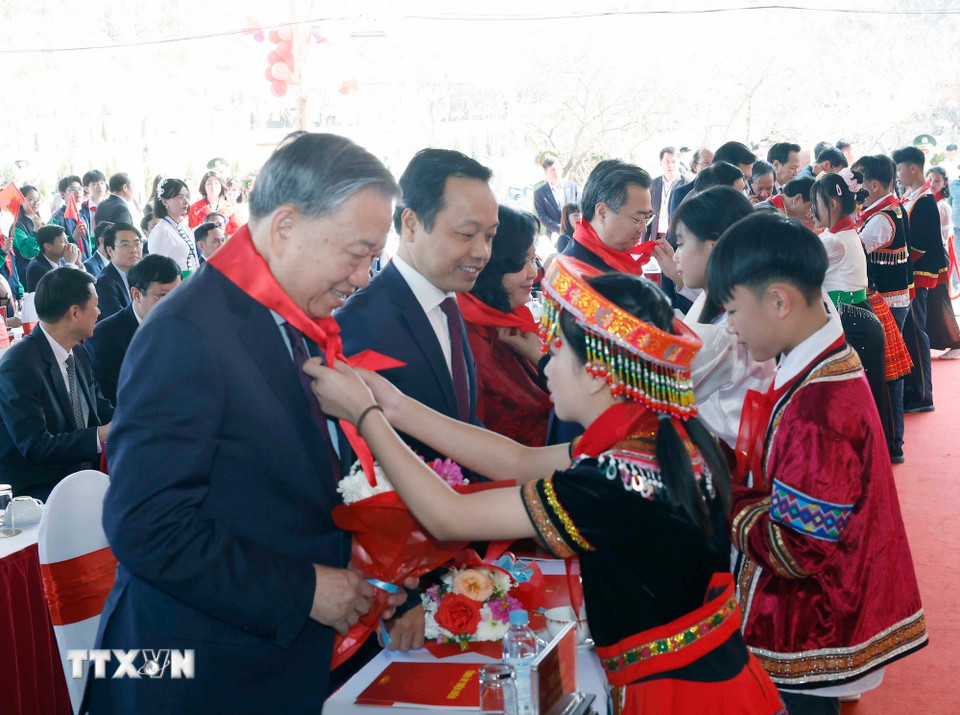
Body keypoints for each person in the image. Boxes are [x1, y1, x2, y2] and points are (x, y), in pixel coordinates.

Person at [308, 258, 786, 715]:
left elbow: (447, 516)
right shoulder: (661, 436)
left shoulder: (615, 480)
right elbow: (519, 461)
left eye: (557, 352)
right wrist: (393, 405)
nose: (547, 365)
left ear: (597, 375)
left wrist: (365, 416)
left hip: (678, 697)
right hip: (715, 680)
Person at [87, 133, 414, 713]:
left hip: (276, 663)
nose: (365, 276)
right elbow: (145, 527)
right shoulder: (186, 333)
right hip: (198, 673)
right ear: (285, 226)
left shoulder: (294, 319)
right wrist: (305, 589)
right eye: (357, 253)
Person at [706, 211, 927, 713]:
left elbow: (795, 550)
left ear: (778, 301)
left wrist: (722, 492)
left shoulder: (818, 408)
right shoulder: (820, 362)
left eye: (733, 311)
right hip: (828, 605)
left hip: (813, 622)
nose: (731, 329)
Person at [337, 148, 498, 461]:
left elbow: (463, 422)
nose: (482, 252)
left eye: (490, 236)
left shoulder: (449, 304)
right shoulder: (360, 324)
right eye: (466, 234)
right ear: (411, 224)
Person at [671, 186, 775, 447]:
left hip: (732, 460)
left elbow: (651, 382)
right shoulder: (726, 301)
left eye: (681, 243)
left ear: (713, 247)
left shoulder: (727, 332)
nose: (675, 255)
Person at [0, 268, 112, 500]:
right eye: (95, 306)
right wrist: (100, 434)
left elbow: (101, 410)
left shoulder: (77, 352)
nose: (99, 313)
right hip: (39, 489)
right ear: (74, 312)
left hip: (84, 477)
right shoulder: (19, 365)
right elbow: (35, 447)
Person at [809, 171, 891, 452]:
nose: (812, 210)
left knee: (853, 397)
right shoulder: (846, 233)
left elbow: (796, 265)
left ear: (831, 204)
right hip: (860, 316)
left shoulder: (833, 241)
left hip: (849, 322)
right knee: (868, 395)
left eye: (815, 203)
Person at [457, 205, 551, 446]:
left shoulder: (513, 319)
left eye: (533, 259)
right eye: (523, 262)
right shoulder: (468, 337)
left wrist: (541, 358)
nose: (534, 273)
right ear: (492, 266)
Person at [852, 155, 914, 463]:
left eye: (859, 185)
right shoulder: (891, 209)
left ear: (874, 185)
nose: (855, 192)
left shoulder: (879, 219)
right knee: (889, 373)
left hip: (885, 303)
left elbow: (854, 250)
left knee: (888, 373)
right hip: (893, 300)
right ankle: (892, 439)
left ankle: (892, 442)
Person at [86, 255, 181, 405]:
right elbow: (110, 400)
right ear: (137, 294)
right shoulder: (105, 336)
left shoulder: (183, 327)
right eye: (163, 296)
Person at [893, 145, 946, 411]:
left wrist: (899, 263)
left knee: (915, 333)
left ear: (913, 168)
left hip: (916, 275)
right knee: (910, 333)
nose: (897, 175)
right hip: (909, 274)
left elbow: (920, 245)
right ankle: (913, 389)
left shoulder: (924, 199)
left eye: (899, 169)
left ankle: (922, 394)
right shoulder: (911, 196)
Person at [559, 159, 654, 274]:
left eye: (647, 219)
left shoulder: (611, 257)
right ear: (602, 212)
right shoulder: (574, 275)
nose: (643, 229)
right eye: (637, 219)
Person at [924, 166, 960, 359]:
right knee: (932, 300)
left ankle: (956, 341)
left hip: (937, 256)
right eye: (930, 179)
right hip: (931, 255)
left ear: (945, 183)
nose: (932, 183)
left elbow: (940, 236)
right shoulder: (928, 201)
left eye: (937, 180)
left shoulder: (942, 206)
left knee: (940, 299)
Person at [669, 141, 755, 218]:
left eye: (747, 179)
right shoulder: (696, 204)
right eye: (743, 178)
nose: (744, 185)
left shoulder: (744, 193)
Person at [147, 178, 200, 277]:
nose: (186, 201)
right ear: (165, 202)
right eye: (180, 197)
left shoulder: (184, 227)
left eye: (186, 196)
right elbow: (156, 268)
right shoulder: (161, 230)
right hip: (176, 283)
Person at [95, 223, 143, 321]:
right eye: (125, 245)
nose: (133, 250)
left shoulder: (144, 275)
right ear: (110, 251)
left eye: (137, 244)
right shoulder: (103, 283)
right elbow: (119, 323)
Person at [26, 225, 84, 292]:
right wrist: (70, 264)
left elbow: (82, 285)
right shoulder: (36, 268)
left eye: (67, 240)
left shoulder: (63, 260)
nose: (68, 244)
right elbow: (63, 291)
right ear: (48, 246)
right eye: (63, 241)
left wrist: (79, 264)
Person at [533, 156, 580, 237]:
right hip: (554, 234)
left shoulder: (573, 187)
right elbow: (542, 216)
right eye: (553, 170)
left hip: (575, 232)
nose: (556, 172)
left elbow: (579, 208)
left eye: (558, 168)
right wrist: (560, 228)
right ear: (546, 172)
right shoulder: (539, 193)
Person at [11, 184, 43, 297]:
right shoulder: (17, 226)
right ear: (21, 202)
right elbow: (28, 253)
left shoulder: (40, 222)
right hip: (27, 276)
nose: (35, 202)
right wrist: (35, 232)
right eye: (30, 199)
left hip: (42, 273)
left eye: (37, 199)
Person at [644, 147, 680, 241]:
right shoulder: (653, 184)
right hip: (656, 234)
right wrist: (644, 240)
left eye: (673, 161)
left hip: (676, 237)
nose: (670, 165)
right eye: (667, 161)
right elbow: (647, 213)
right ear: (660, 163)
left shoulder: (685, 183)